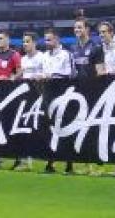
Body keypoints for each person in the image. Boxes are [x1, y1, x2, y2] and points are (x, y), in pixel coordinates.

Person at [68, 16, 105, 176]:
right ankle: (86, 164)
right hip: (79, 93)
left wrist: (98, 90)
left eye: (80, 28)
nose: (77, 30)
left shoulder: (96, 46)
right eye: (75, 28)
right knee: (82, 129)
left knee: (95, 129)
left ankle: (99, 165)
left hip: (94, 92)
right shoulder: (73, 47)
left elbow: (101, 71)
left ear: (87, 29)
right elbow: (73, 71)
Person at [41, 28, 75, 174]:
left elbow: (71, 74)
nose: (46, 42)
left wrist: (53, 75)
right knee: (50, 129)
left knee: (66, 128)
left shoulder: (66, 54)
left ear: (57, 40)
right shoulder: (44, 56)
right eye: (45, 39)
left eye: (49, 39)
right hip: (49, 96)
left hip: (64, 96)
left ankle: (69, 164)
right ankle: (50, 162)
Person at [0, 31, 21, 169]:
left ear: (7, 40)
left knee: (11, 126)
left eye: (1, 38)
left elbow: (20, 71)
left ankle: (18, 159)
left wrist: (10, 79)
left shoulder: (14, 54)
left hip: (9, 95)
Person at [12, 32, 45, 171]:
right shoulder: (23, 59)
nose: (24, 44)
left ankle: (46, 159)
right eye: (23, 42)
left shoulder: (42, 57)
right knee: (25, 128)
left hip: (40, 97)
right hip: (26, 99)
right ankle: (25, 160)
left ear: (34, 42)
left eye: (27, 41)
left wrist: (40, 76)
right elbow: (19, 76)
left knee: (40, 129)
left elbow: (47, 73)